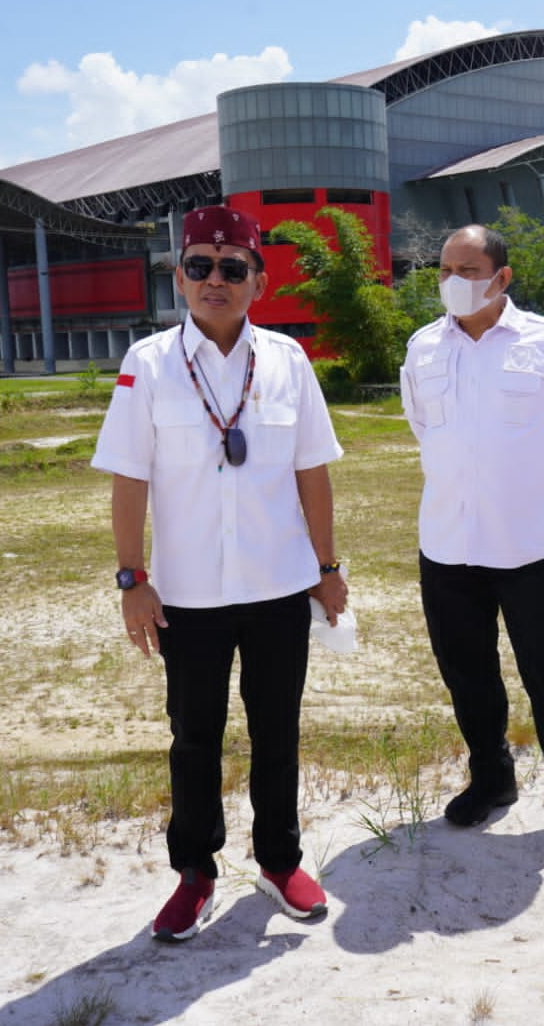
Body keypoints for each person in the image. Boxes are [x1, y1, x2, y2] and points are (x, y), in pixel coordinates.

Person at [91, 205, 345, 940]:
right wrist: (131, 578)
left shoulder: (288, 361)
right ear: (180, 277)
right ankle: (195, 871)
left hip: (277, 588)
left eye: (233, 268)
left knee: (278, 731)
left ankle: (279, 860)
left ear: (258, 282)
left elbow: (313, 474)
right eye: (199, 265)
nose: (215, 279)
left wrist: (327, 569)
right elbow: (129, 478)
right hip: (188, 596)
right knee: (194, 736)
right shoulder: (149, 363)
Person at [400, 224, 544, 864]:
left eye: (467, 270)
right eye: (443, 270)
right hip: (448, 544)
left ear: (501, 277)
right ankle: (491, 778)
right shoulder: (423, 348)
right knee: (468, 674)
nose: (452, 282)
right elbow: (421, 427)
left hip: (528, 544)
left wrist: (523, 486)